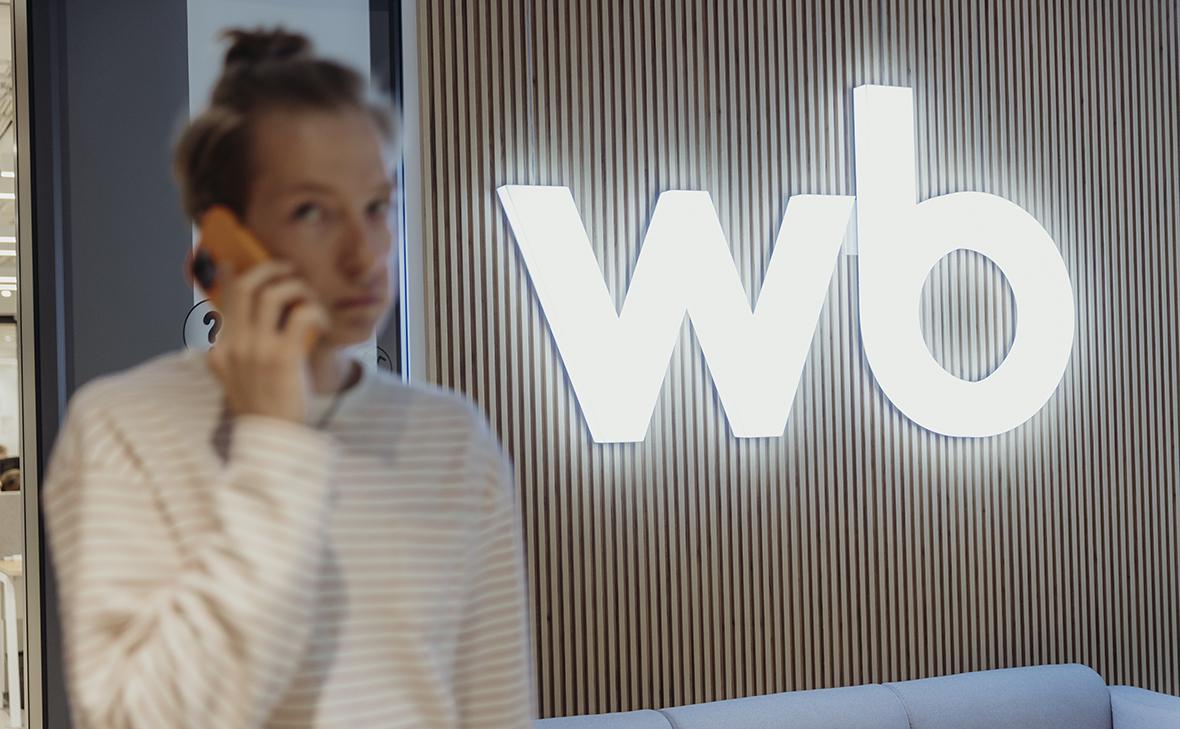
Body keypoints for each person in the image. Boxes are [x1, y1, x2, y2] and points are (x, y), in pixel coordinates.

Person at [43, 28, 533, 728]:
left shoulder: (453, 436)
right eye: (313, 212)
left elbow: (495, 711)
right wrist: (274, 443)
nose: (365, 255)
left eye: (377, 206)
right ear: (222, 241)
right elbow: (141, 718)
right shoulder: (121, 428)